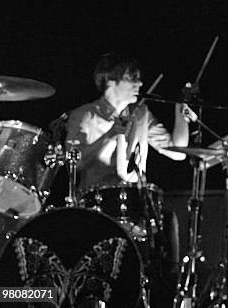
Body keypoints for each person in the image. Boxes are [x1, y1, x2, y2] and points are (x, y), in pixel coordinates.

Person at [66, 53, 190, 301]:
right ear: (110, 81)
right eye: (131, 78)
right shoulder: (84, 115)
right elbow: (76, 162)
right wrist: (111, 134)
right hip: (96, 210)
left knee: (169, 223)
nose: (139, 84)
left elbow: (178, 152)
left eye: (139, 79)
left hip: (138, 207)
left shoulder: (140, 114)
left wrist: (181, 111)